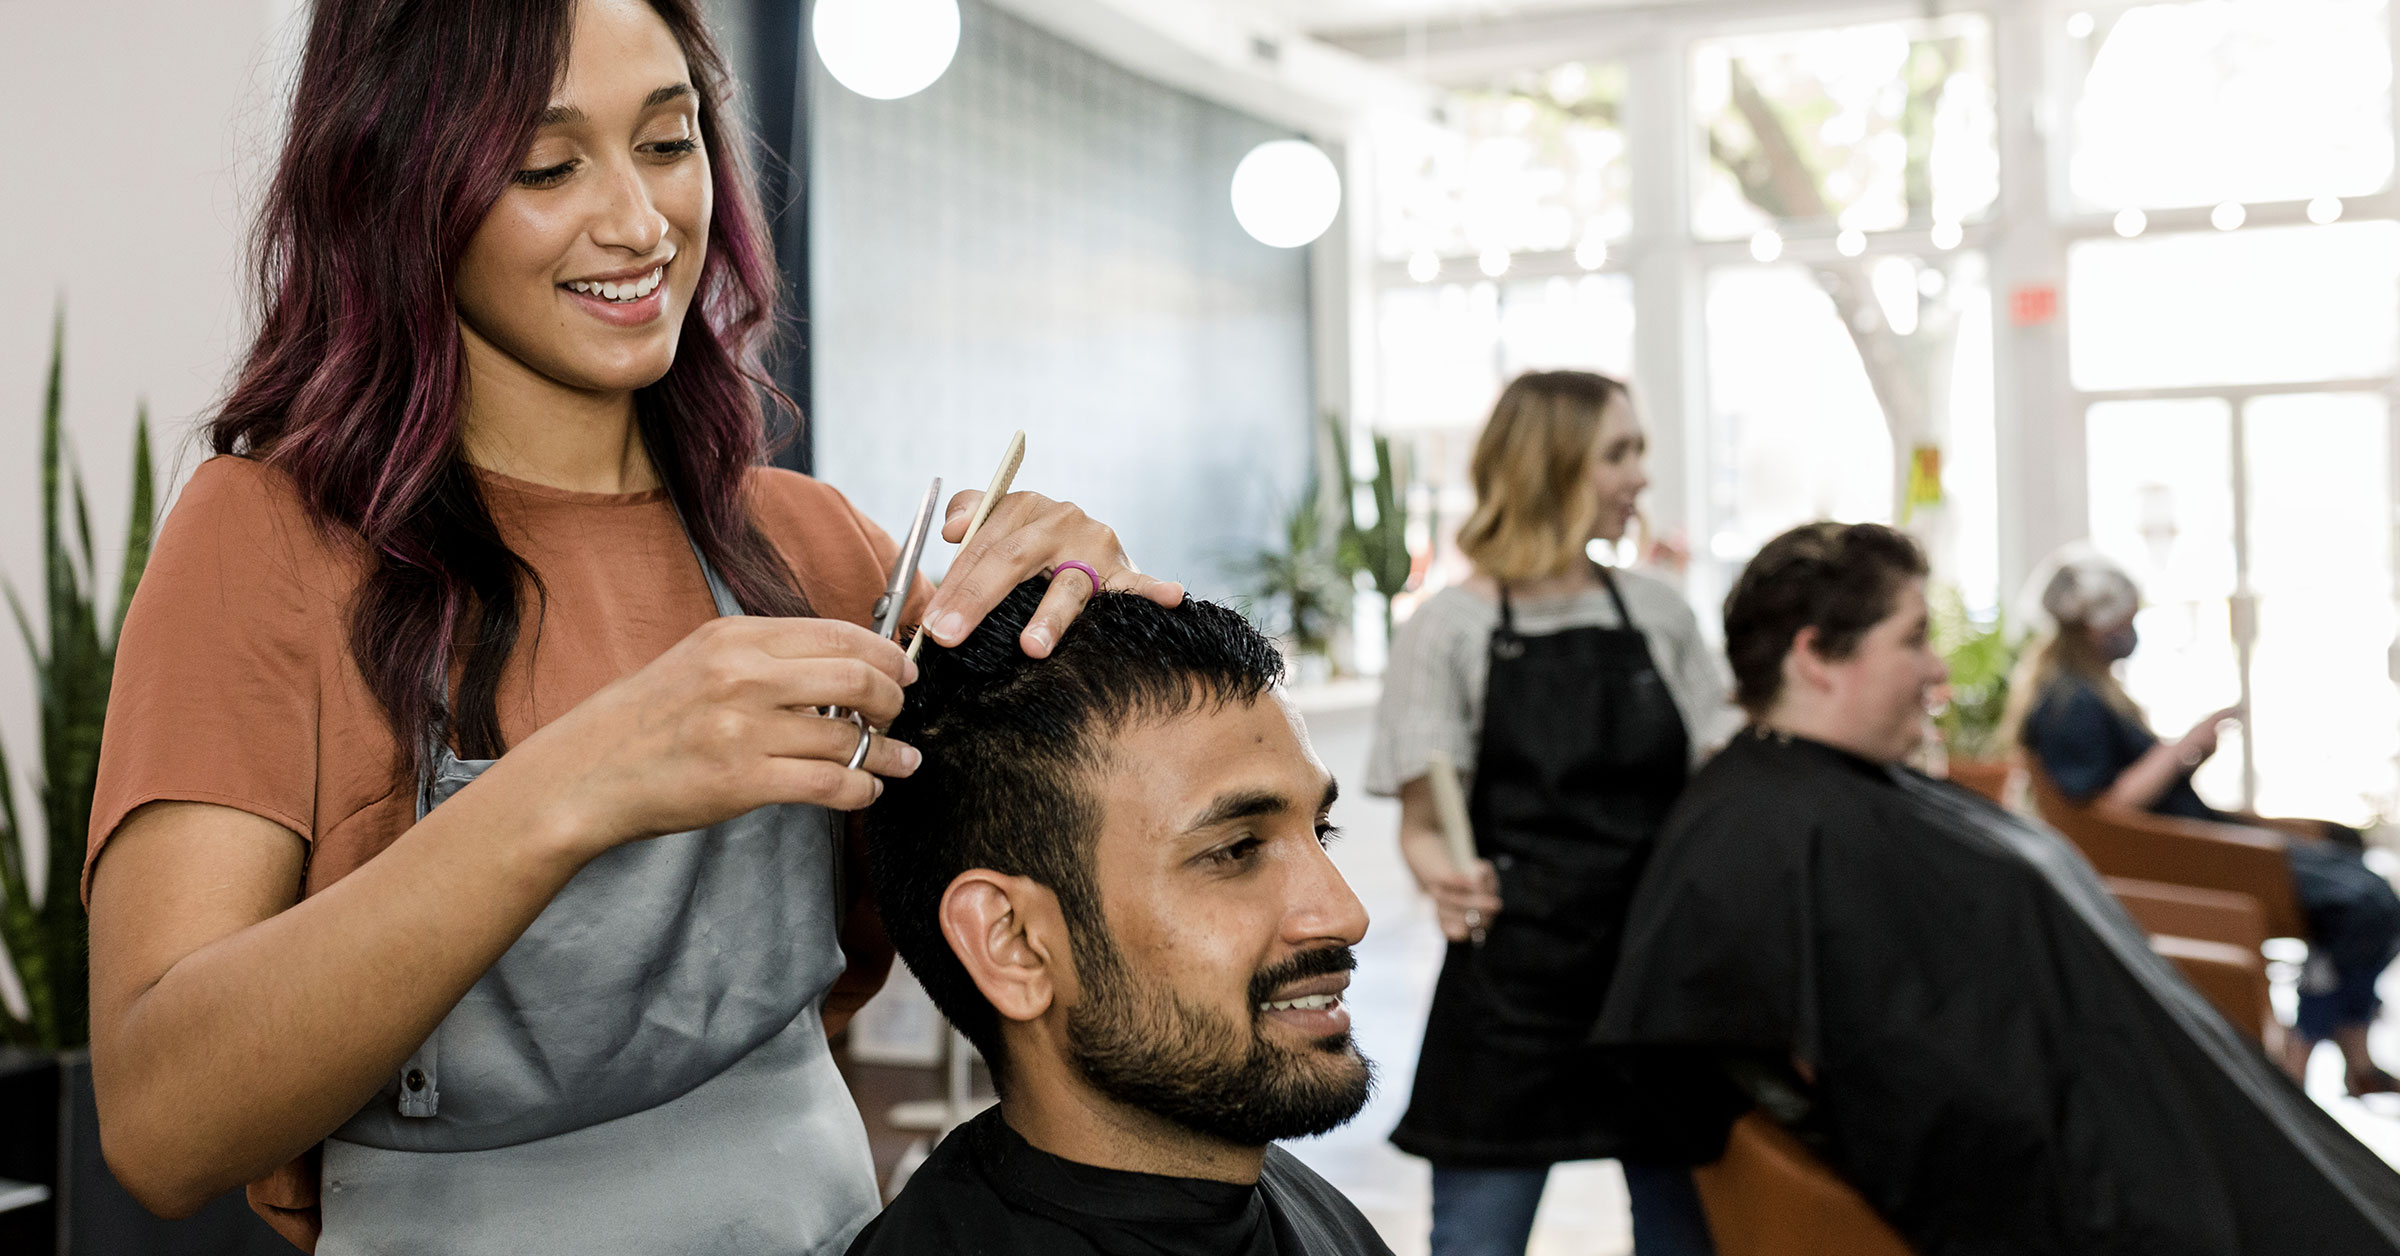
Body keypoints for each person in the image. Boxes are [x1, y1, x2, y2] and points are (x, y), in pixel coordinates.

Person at [82, 3, 1180, 1253]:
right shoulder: (268, 541)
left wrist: (1068, 620)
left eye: (669, 143)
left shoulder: (813, 547)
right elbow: (161, 1129)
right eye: (547, 166)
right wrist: (585, 777)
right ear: (395, 184)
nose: (642, 223)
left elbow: (1054, 927)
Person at [1597, 522, 2400, 1256]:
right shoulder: (1778, 829)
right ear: (1816, 657)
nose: (1939, 667)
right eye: (1914, 639)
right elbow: (1919, 1089)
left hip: (2146, 1114)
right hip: (2099, 1170)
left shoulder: (1819, 799)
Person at [849, 579, 1393, 1255]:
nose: (1345, 914)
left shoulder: (1308, 1212)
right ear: (1013, 942)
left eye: (1322, 830)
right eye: (1236, 850)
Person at [1366, 370, 1730, 1256]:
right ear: (1549, 465)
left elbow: (1714, 784)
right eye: (1620, 452)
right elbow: (1423, 820)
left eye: (1638, 449)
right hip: (1512, 991)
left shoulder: (1656, 613)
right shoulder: (1447, 630)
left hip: (1656, 985)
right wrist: (1441, 873)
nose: (1640, 476)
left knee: (1686, 1240)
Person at [2008, 552, 2400, 1092]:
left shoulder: (2088, 691)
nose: (2133, 631)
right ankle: (2300, 1055)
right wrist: (2182, 747)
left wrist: (2190, 755)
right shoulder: (2070, 703)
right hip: (2186, 856)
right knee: (2366, 904)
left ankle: (2353, 1057)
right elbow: (2111, 807)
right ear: (2099, 623)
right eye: (2127, 621)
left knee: (2348, 850)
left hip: (2198, 835)